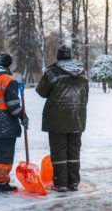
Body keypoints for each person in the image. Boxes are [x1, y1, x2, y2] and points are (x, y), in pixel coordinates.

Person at [36, 44, 89, 192]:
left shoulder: (52, 72)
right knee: (74, 151)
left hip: (57, 119)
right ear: (71, 56)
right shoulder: (82, 71)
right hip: (77, 117)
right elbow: (85, 92)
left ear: (58, 57)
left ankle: (60, 183)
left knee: (59, 151)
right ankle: (73, 183)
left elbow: (41, 91)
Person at [0, 52, 28, 193]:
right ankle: (1, 183)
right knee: (5, 154)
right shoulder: (9, 80)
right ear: (8, 65)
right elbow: (13, 105)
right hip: (5, 124)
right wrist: (23, 116)